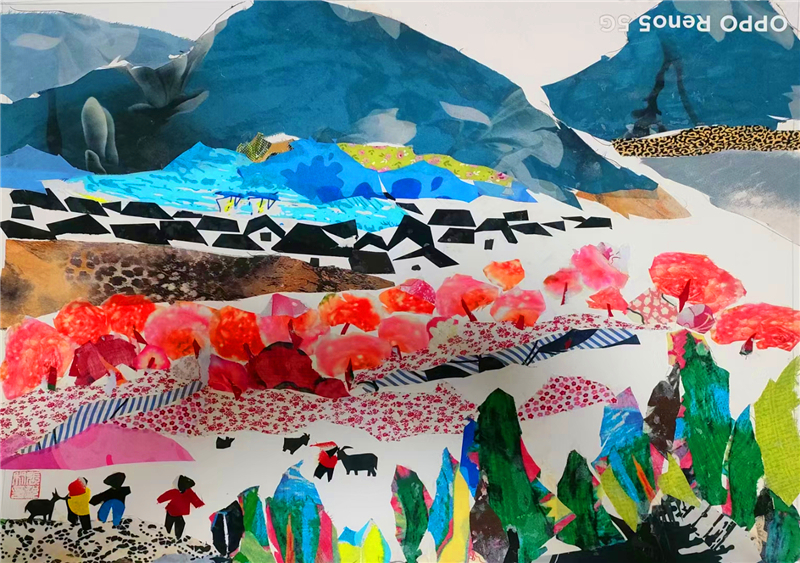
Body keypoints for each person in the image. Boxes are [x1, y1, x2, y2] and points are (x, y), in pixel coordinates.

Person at [157, 475, 205, 539]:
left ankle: (176, 538)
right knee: (169, 526)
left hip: (178, 512)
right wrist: (159, 500)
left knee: (180, 524)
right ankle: (166, 537)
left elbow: (194, 498)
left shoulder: (189, 492)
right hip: (171, 511)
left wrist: (199, 504)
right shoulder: (175, 492)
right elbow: (165, 496)